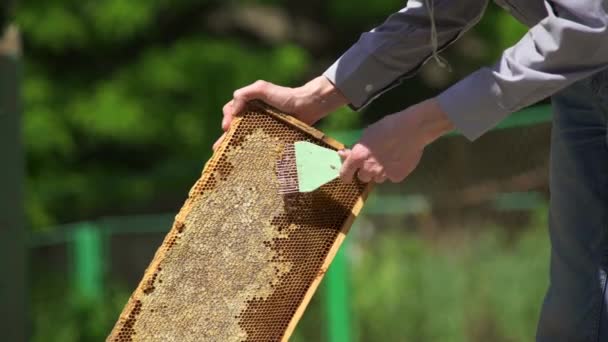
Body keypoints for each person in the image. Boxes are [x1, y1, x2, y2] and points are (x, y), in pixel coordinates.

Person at [217, 1, 608, 340]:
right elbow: (437, 11)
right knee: (578, 306)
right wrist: (313, 98)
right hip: (581, 88)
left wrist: (423, 124)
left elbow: (588, 23)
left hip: (586, 54)